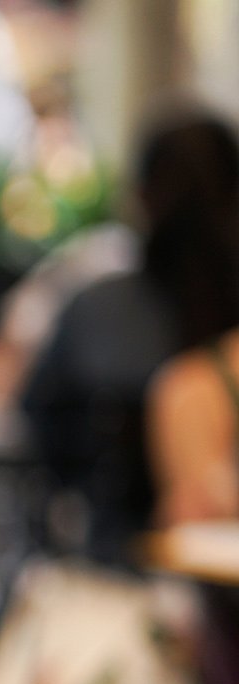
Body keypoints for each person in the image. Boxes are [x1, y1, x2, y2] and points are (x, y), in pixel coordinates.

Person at [18, 107, 239, 564]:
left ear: (141, 196)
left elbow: (40, 429)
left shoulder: (99, 310)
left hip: (115, 564)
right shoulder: (195, 372)